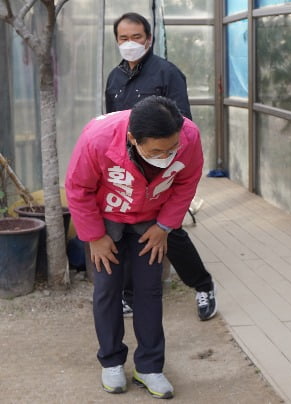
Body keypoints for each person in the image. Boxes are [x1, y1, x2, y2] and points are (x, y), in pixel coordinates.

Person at [66, 96, 202, 398]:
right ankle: (112, 361)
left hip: (150, 220)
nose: (166, 157)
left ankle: (150, 366)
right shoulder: (97, 138)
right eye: (157, 151)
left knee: (150, 290)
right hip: (106, 218)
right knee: (107, 288)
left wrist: (165, 226)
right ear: (133, 139)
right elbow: (78, 188)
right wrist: (95, 237)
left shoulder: (189, 136)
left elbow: (187, 182)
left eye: (172, 150)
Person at [105, 12, 216, 321]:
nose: (130, 44)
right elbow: (110, 125)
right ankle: (129, 295)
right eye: (123, 38)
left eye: (136, 37)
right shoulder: (114, 78)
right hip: (128, 168)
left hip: (162, 165)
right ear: (117, 41)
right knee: (129, 230)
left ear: (149, 39)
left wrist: (167, 159)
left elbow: (184, 123)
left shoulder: (167, 73)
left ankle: (203, 285)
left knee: (171, 231)